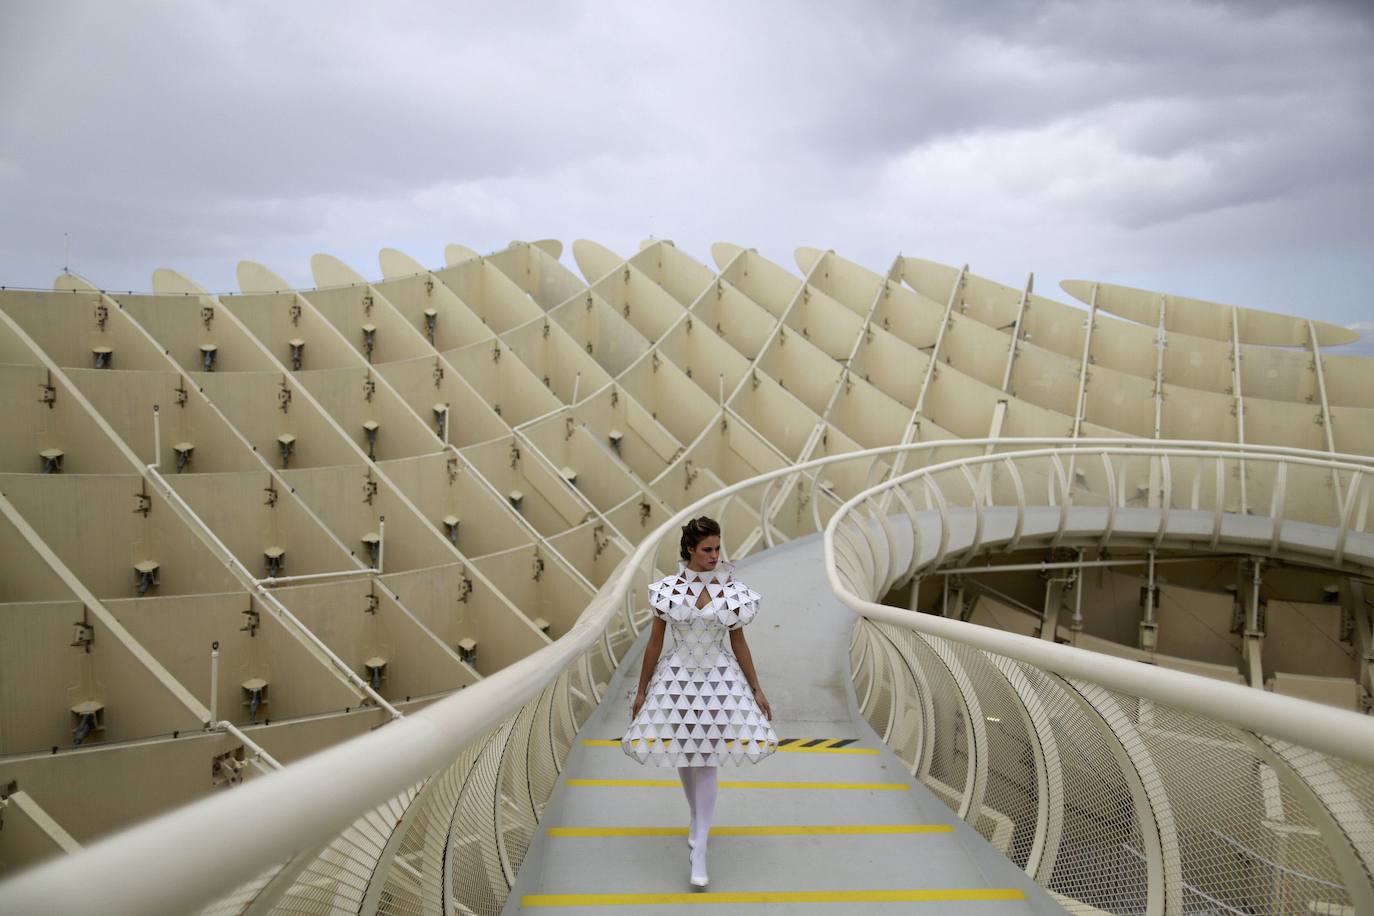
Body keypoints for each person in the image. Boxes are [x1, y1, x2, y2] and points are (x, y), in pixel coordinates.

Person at [621, 516, 778, 887]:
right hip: (677, 680)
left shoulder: (731, 591)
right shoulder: (667, 591)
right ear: (690, 549)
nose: (714, 555)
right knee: (686, 754)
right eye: (707, 549)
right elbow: (655, 643)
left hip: (719, 681)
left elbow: (738, 642)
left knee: (706, 759)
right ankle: (695, 817)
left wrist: (756, 688)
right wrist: (642, 690)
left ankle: (701, 846)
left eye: (717, 548)